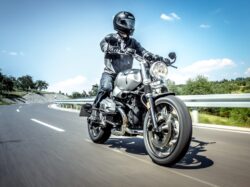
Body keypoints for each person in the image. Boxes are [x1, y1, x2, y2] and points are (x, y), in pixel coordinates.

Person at [90, 11, 162, 121]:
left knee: (141, 88)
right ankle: (94, 109)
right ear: (119, 23)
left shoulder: (133, 42)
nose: (130, 26)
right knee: (106, 87)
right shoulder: (111, 37)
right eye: (127, 23)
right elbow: (103, 46)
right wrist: (114, 48)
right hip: (111, 73)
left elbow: (143, 51)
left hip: (126, 75)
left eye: (132, 23)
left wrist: (154, 57)